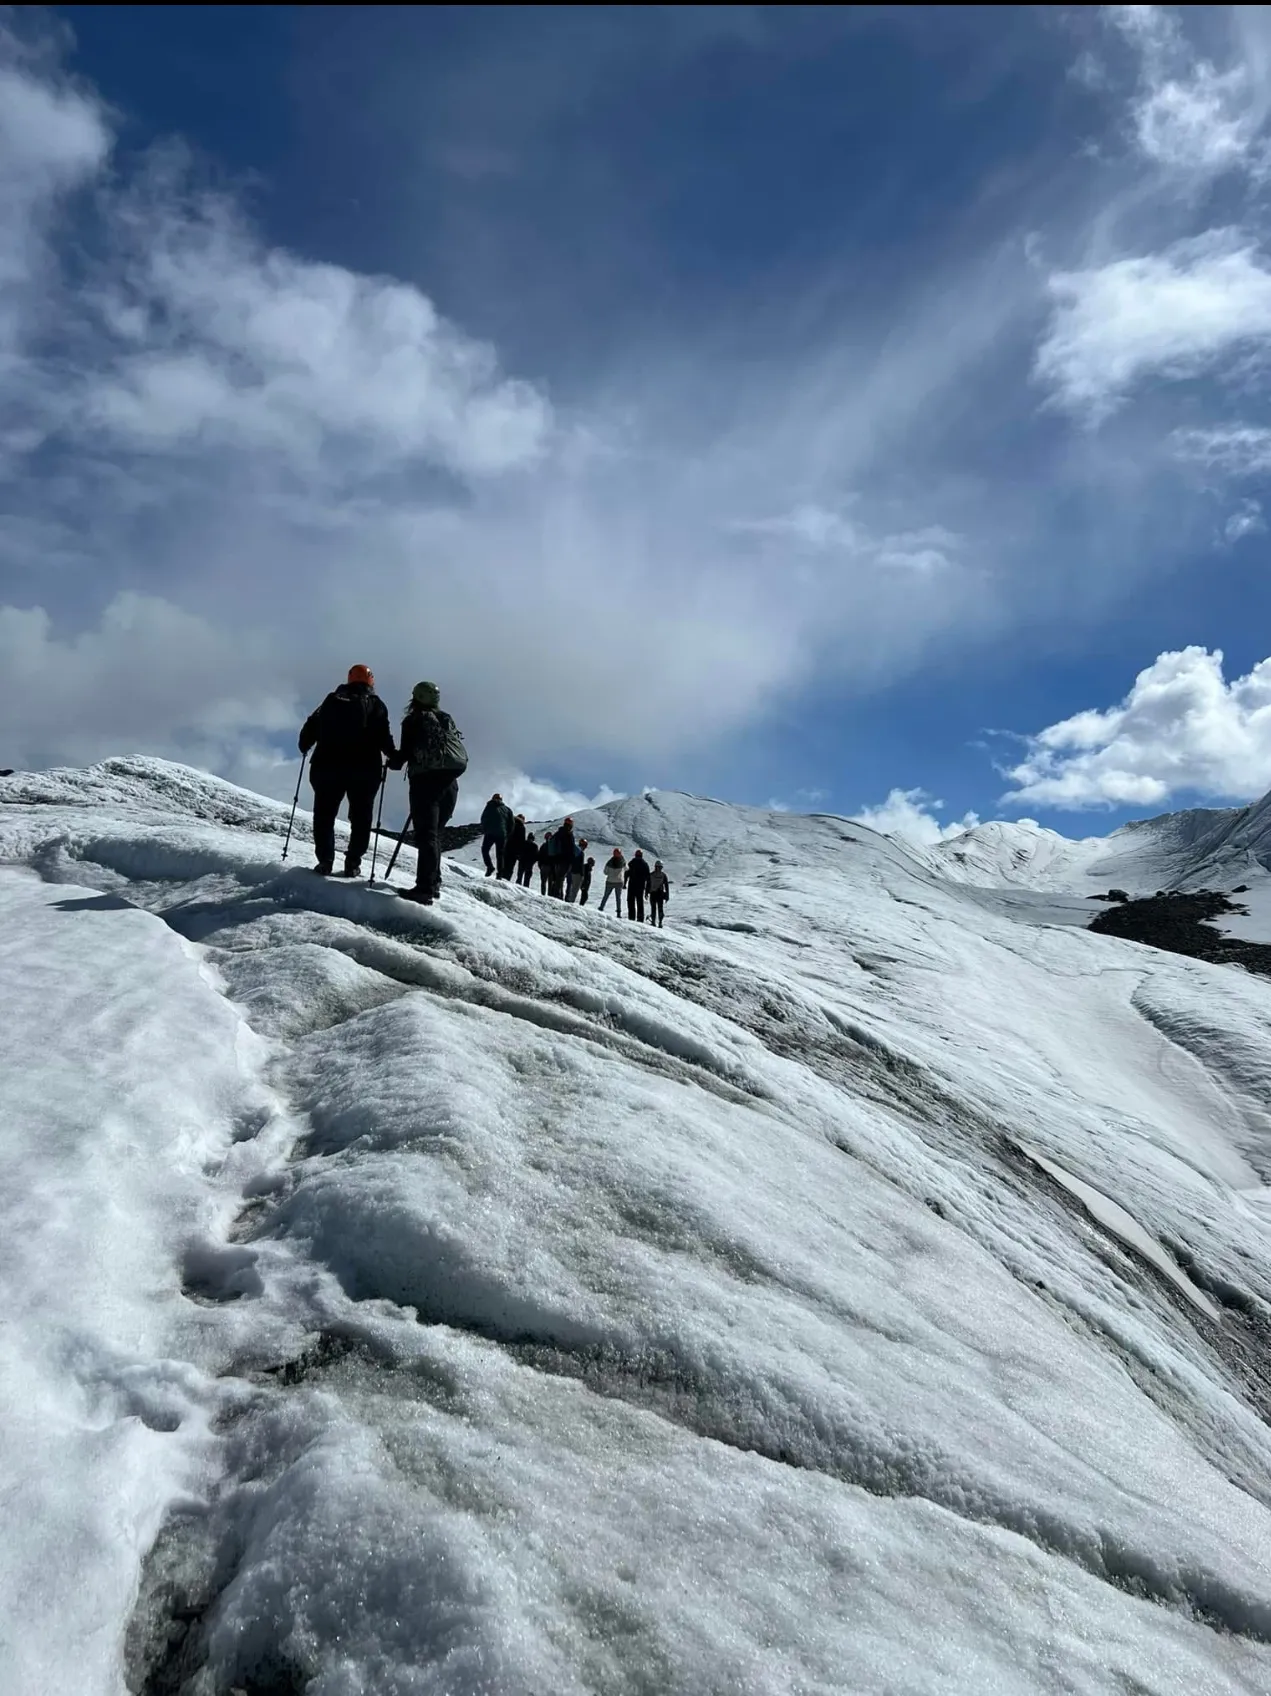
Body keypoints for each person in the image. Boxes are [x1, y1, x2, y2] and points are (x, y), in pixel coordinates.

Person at [299, 664, 396, 877]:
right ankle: (353, 862)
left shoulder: (332, 699)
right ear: (371, 681)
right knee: (361, 817)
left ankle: (325, 860)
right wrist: (394, 756)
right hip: (364, 770)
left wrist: (304, 744)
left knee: (324, 815)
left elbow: (311, 726)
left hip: (327, 766)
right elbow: (383, 736)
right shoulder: (375, 704)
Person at [390, 680, 468, 905]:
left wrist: (391, 761)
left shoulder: (413, 720)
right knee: (435, 835)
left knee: (426, 835)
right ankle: (433, 884)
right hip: (450, 783)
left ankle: (424, 888)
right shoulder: (446, 718)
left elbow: (404, 755)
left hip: (425, 783)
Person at [480, 793, 514, 877]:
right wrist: (507, 833)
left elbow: (483, 818)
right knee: (500, 854)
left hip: (490, 833)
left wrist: (485, 829)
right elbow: (511, 823)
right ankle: (500, 874)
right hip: (502, 834)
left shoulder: (489, 806)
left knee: (485, 850)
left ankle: (490, 867)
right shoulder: (507, 809)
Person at [546, 817, 575, 898]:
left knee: (558, 877)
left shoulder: (558, 833)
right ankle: (557, 895)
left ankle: (557, 894)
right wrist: (572, 860)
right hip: (565, 860)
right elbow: (570, 848)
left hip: (557, 859)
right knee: (560, 878)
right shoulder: (568, 834)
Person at [625, 847, 651, 922]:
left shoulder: (632, 863)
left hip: (632, 885)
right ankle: (640, 919)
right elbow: (648, 878)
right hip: (640, 886)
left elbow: (626, 874)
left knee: (631, 902)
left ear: (635, 855)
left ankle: (631, 917)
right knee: (639, 902)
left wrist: (624, 883)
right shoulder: (644, 864)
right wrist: (647, 890)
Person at [600, 849, 625, 915]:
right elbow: (627, 869)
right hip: (619, 882)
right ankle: (618, 912)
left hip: (610, 881)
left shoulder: (609, 862)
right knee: (618, 898)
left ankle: (601, 908)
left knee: (605, 896)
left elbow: (605, 872)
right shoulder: (622, 862)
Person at [505, 813, 528, 881]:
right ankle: (506, 880)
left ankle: (501, 878)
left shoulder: (509, 824)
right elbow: (521, 841)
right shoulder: (521, 827)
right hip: (514, 851)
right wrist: (520, 853)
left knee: (504, 865)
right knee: (510, 867)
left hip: (506, 848)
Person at [566, 836, 589, 903]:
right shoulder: (580, 852)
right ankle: (570, 902)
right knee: (575, 889)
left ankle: (568, 899)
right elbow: (580, 865)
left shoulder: (575, 851)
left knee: (570, 888)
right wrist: (582, 874)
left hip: (571, 872)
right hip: (577, 873)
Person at [648, 860, 671, 928]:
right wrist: (667, 896)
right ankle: (660, 922)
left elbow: (648, 885)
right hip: (660, 894)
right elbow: (666, 886)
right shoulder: (663, 875)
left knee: (653, 908)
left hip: (653, 894)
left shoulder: (651, 874)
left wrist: (646, 892)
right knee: (660, 908)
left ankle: (653, 922)